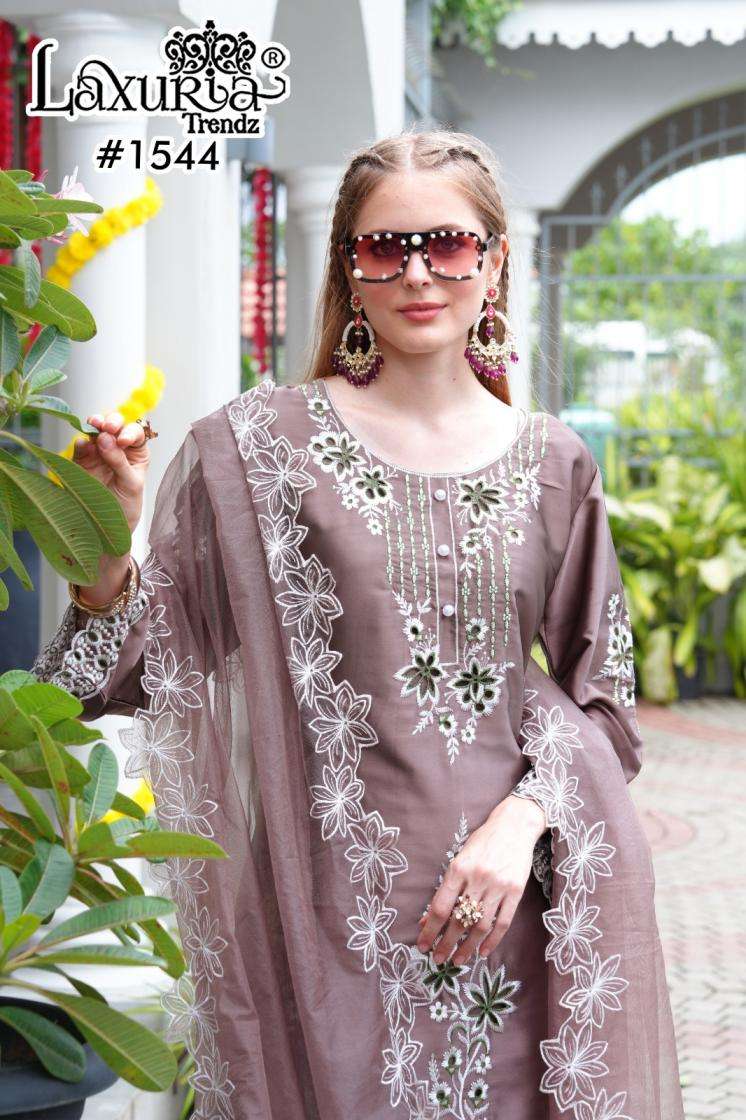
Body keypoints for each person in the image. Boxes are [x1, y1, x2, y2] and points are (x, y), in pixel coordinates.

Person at [32, 128, 684, 1120]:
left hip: (511, 919)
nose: (418, 273)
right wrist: (105, 547)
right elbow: (125, 673)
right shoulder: (258, 451)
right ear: (348, 267)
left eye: (447, 245)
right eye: (385, 248)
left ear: (493, 263)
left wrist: (521, 823)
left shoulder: (555, 463)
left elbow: (605, 706)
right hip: (322, 929)